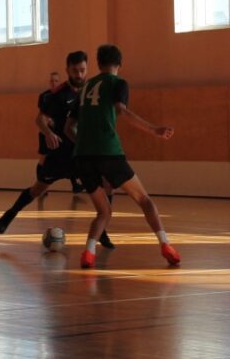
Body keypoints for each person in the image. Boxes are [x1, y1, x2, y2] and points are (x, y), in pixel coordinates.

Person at [67, 44, 180, 269]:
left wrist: (83, 143)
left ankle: (88, 253)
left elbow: (68, 127)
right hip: (109, 153)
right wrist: (154, 129)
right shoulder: (118, 83)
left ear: (98, 64)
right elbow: (122, 111)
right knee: (144, 200)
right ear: (120, 63)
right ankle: (166, 245)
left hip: (82, 157)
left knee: (103, 212)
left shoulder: (85, 87)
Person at [0, 51, 114, 248]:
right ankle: (11, 213)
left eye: (82, 70)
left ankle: (102, 231)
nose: (79, 74)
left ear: (87, 69)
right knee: (38, 189)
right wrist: (48, 133)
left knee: (105, 184)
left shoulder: (92, 91)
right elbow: (39, 119)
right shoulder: (57, 94)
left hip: (82, 154)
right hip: (60, 153)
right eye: (74, 70)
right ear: (67, 70)